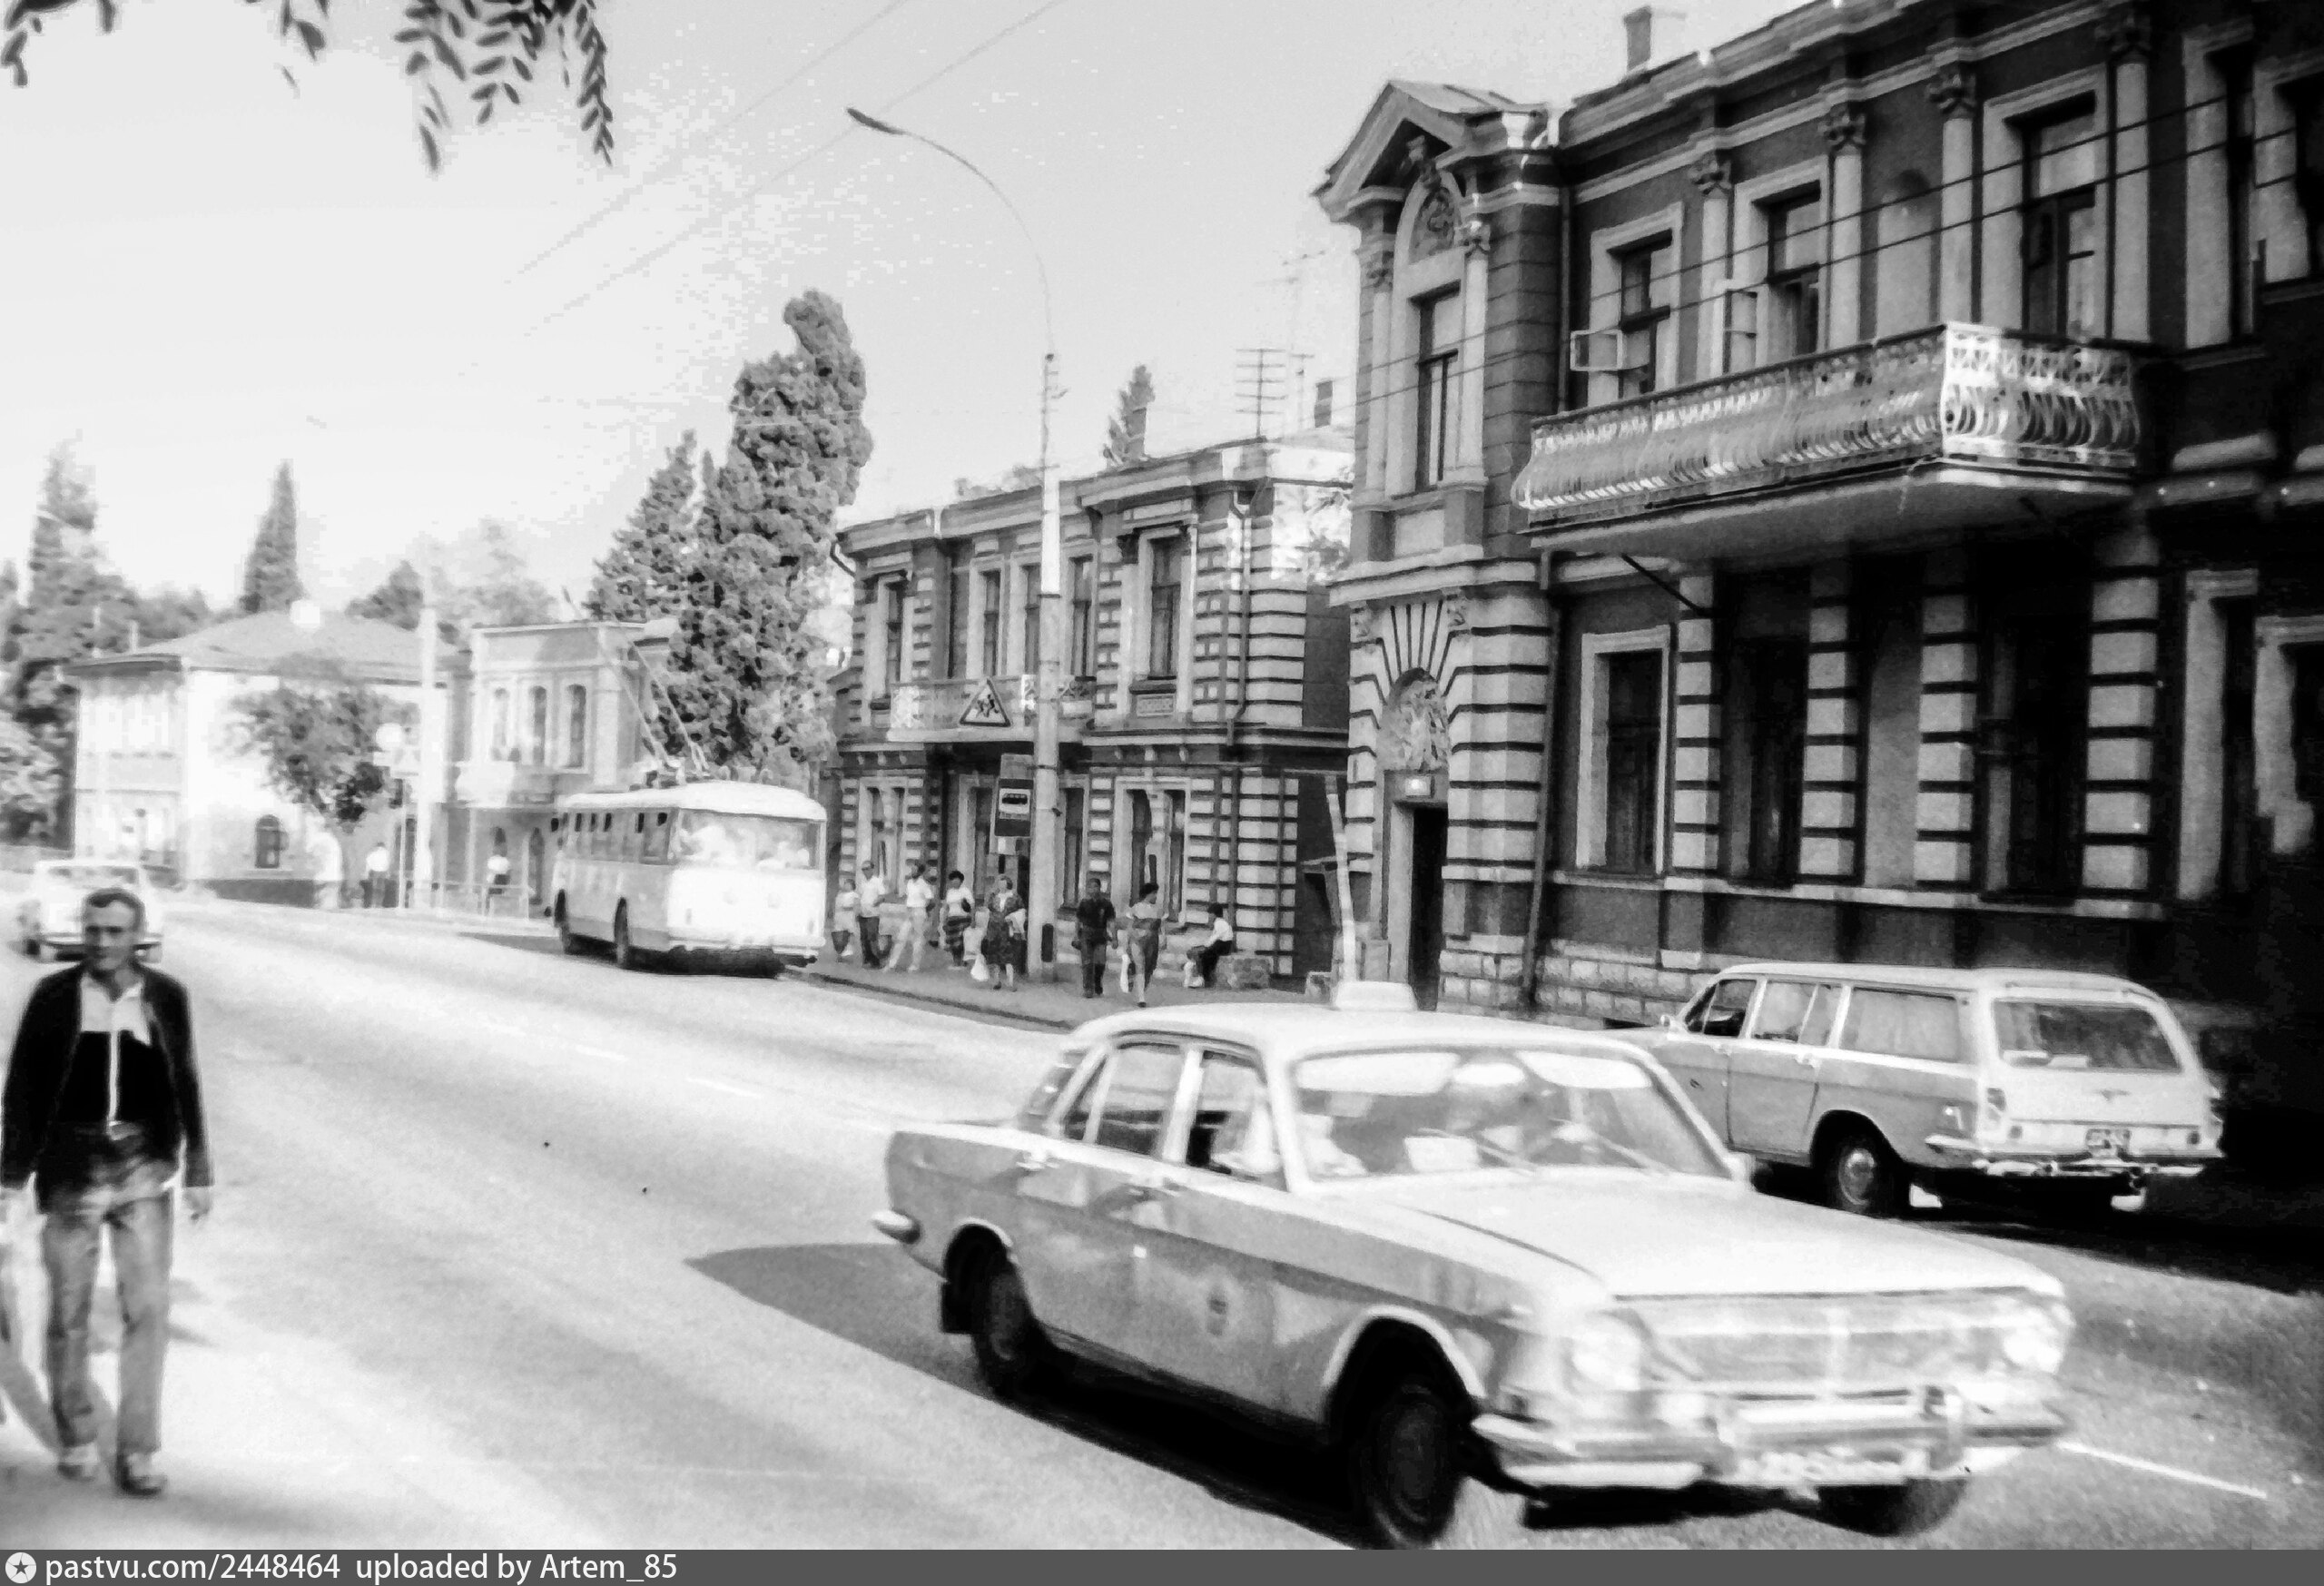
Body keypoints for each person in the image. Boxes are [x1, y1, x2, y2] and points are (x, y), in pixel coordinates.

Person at [0, 889, 212, 1498]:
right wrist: (10, 1176)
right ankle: (76, 1433)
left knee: (148, 1309)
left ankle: (138, 1450)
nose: (101, 941)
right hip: (71, 1166)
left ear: (137, 936)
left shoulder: (165, 995)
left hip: (143, 1164)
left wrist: (198, 1168)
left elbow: (186, 1079)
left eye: (115, 931)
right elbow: (23, 1089)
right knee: (67, 1312)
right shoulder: (54, 996)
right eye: (92, 929)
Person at [1071, 874, 1118, 1000]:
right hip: (1086, 934)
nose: (1093, 889)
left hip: (1101, 934)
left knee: (1100, 962)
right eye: (1090, 887)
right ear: (1087, 889)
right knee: (1087, 962)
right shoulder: (1084, 903)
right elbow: (1078, 920)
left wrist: (1114, 937)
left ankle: (1097, 983)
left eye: (1095, 887)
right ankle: (1088, 988)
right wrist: (1076, 935)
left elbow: (1111, 921)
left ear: (1100, 888)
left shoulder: (1106, 904)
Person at [1125, 882, 1166, 1008]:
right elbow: (1130, 926)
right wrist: (1132, 938)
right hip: (1137, 940)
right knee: (1140, 966)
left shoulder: (1158, 910)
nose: (1156, 896)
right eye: (1154, 893)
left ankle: (1140, 988)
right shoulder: (1136, 908)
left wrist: (1163, 938)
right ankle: (1141, 997)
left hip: (1152, 940)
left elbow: (1161, 926)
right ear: (1148, 894)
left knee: (1149, 967)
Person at [890, 862, 936, 973]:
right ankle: (892, 964)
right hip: (909, 911)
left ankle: (915, 965)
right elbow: (907, 896)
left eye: (915, 870)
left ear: (920, 872)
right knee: (901, 937)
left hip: (919, 911)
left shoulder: (923, 884)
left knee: (917, 939)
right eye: (912, 870)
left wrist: (924, 910)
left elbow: (931, 901)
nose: (913, 872)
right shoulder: (909, 883)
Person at [989, 877, 1026, 993]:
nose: (1001, 886)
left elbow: (1022, 911)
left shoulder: (1014, 897)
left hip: (1008, 929)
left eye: (1003, 884)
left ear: (1008, 885)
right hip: (994, 928)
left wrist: (1012, 918)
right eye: (1000, 884)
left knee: (1009, 956)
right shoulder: (994, 896)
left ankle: (1010, 982)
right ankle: (996, 981)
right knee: (995, 955)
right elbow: (990, 909)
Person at [855, 862, 890, 969]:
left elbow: (882, 896)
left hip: (873, 914)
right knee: (864, 938)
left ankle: (876, 961)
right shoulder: (862, 882)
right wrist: (858, 910)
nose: (865, 871)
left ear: (872, 869)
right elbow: (859, 896)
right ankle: (867, 959)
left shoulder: (877, 881)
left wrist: (874, 904)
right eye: (863, 869)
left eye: (867, 869)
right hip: (863, 914)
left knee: (872, 937)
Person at [1188, 910, 1236, 989]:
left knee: (1203, 955)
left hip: (1222, 945)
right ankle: (1203, 978)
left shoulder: (1219, 923)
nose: (1209, 916)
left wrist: (1205, 946)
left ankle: (1202, 979)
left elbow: (1215, 937)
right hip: (1222, 945)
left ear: (1214, 914)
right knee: (1204, 954)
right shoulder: (1221, 922)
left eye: (1210, 914)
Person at [940, 870, 975, 967]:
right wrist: (944, 920)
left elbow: (972, 906)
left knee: (960, 942)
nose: (955, 881)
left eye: (957, 879)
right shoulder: (950, 892)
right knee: (952, 942)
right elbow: (946, 907)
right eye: (953, 880)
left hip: (963, 919)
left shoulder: (965, 891)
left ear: (961, 880)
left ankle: (962, 960)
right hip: (951, 919)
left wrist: (973, 920)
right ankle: (955, 961)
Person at [831, 875, 859, 961]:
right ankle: (839, 953)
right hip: (839, 918)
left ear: (852, 886)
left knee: (848, 935)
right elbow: (836, 905)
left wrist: (848, 908)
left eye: (848, 884)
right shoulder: (840, 895)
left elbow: (856, 906)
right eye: (845, 884)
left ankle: (847, 954)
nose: (846, 886)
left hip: (849, 918)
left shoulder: (854, 895)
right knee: (839, 936)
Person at [363, 841, 389, 908]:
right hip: (381, 872)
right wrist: (387, 873)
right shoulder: (386, 853)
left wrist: (366, 873)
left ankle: (375, 904)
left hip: (376, 872)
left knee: (375, 889)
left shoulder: (373, 853)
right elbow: (387, 864)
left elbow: (368, 864)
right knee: (380, 889)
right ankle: (378, 904)